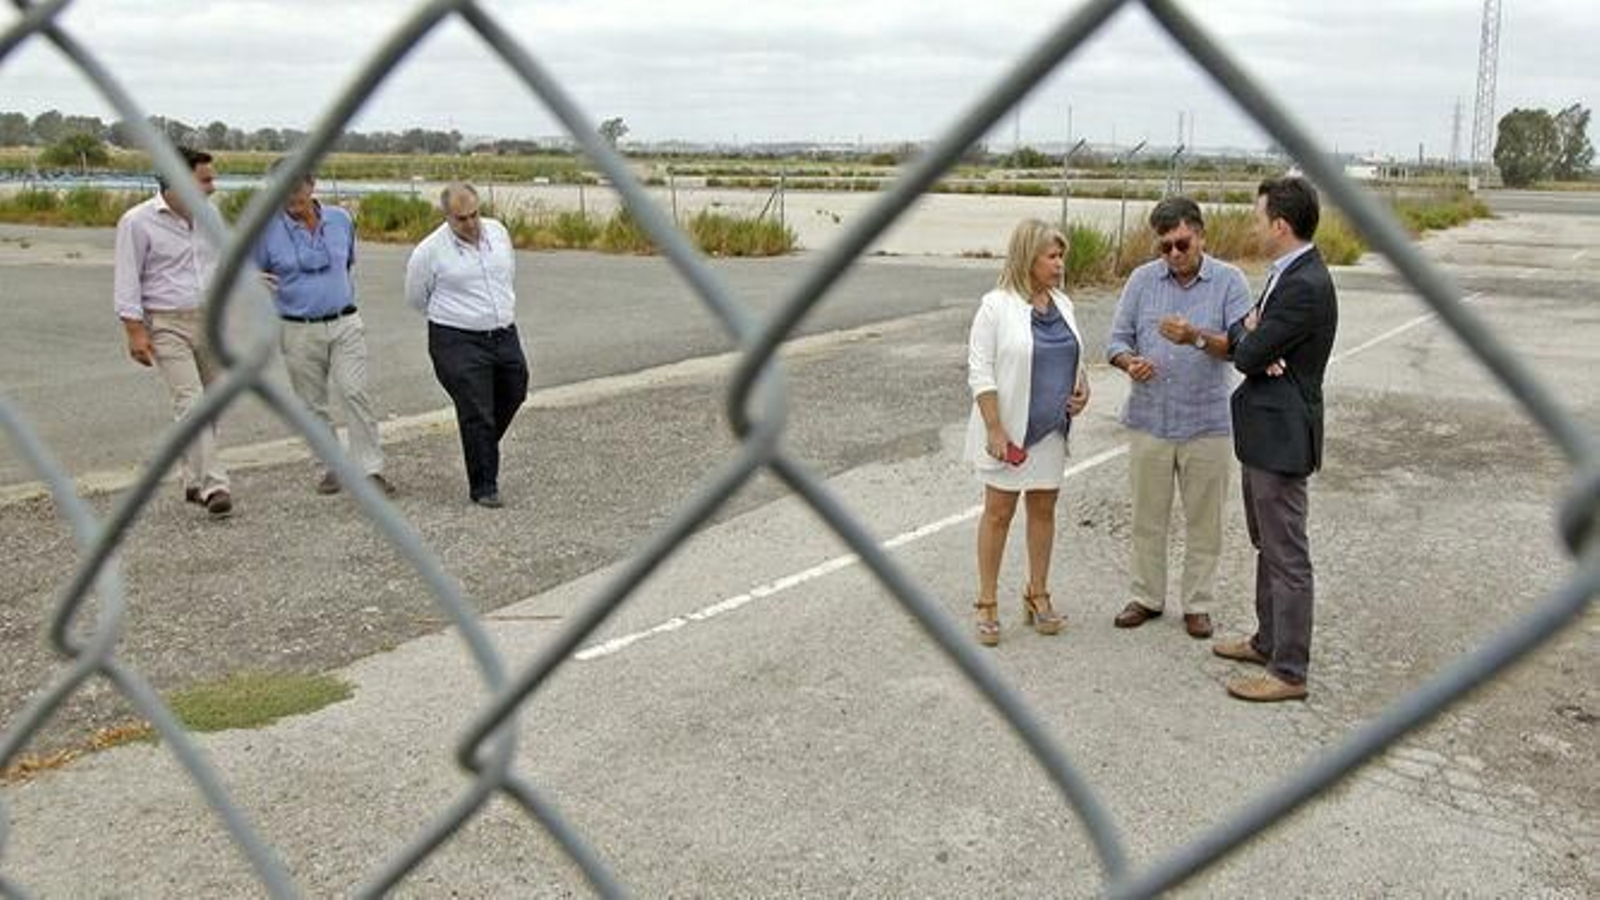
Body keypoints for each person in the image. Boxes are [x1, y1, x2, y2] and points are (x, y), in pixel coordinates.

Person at [1213, 175, 1339, 702]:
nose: (1253, 225)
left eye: (1258, 217)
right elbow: (1250, 338)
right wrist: (1255, 334)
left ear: (1280, 225)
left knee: (1286, 553)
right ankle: (1268, 640)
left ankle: (1289, 671)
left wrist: (1254, 338)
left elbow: (1243, 351)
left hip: (1282, 435)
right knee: (1266, 542)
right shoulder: (1288, 274)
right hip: (1266, 429)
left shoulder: (1304, 285)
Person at [1106, 197, 1252, 640]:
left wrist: (1197, 338)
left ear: (1201, 236)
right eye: (1164, 246)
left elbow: (1243, 346)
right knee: (1147, 518)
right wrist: (1130, 362)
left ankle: (1198, 604)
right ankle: (1147, 596)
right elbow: (1115, 341)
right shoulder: (1142, 281)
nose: (1173, 254)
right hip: (1150, 419)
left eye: (1182, 244)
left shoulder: (1229, 281)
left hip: (1206, 421)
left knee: (1204, 522)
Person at [965, 218, 1090, 646]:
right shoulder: (995, 306)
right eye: (1052, 257)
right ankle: (986, 601)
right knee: (999, 513)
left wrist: (1082, 390)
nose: (1059, 265)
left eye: (1061, 257)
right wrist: (995, 427)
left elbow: (1074, 357)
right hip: (1010, 434)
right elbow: (980, 372)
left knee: (1043, 510)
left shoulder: (1063, 304)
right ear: (1028, 258)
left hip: (1052, 431)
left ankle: (1037, 592)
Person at [253, 160, 393, 497]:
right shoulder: (265, 229)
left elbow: (347, 263)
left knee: (354, 391)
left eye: (296, 189)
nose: (290, 198)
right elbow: (249, 271)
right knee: (312, 403)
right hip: (297, 327)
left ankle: (370, 470)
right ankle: (330, 466)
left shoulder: (340, 220)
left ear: (311, 185)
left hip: (345, 322)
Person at [113, 146, 233, 520]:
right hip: (166, 323)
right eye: (205, 180)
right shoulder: (137, 221)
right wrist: (134, 330)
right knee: (191, 401)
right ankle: (215, 485)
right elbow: (127, 277)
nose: (213, 187)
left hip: (210, 320)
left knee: (211, 404)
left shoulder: (210, 215)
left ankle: (192, 478)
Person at [404, 183, 529, 508]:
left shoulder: (498, 233)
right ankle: (484, 486)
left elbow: (507, 275)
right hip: (456, 338)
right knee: (476, 409)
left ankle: (481, 447)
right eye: (462, 219)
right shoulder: (428, 252)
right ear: (447, 217)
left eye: (474, 214)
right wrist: (458, 316)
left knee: (515, 389)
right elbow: (416, 298)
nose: (471, 223)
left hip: (502, 332)